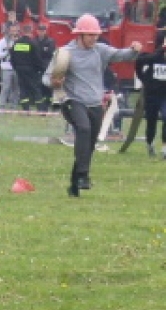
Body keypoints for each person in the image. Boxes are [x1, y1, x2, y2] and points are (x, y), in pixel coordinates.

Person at [43, 14, 140, 196]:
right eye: (90, 35)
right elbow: (46, 78)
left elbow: (121, 55)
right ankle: (83, 175)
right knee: (84, 129)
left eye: (96, 34)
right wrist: (54, 82)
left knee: (89, 143)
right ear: (79, 34)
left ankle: (74, 185)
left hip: (95, 103)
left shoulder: (100, 50)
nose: (94, 38)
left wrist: (134, 49)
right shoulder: (64, 53)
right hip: (72, 101)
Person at [135, 31, 166, 159]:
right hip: (152, 95)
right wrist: (143, 79)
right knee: (151, 121)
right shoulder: (153, 58)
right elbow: (139, 62)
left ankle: (164, 148)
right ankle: (150, 143)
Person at [9, 24, 42, 111]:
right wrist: (40, 69)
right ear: (31, 32)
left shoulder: (16, 43)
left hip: (19, 69)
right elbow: (37, 58)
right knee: (35, 88)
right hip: (31, 70)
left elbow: (12, 57)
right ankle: (40, 109)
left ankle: (25, 109)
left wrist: (16, 67)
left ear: (22, 32)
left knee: (23, 89)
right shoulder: (33, 43)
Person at [33, 22, 57, 111]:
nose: (41, 32)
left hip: (47, 68)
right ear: (37, 31)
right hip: (36, 68)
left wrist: (41, 52)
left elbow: (50, 53)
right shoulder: (33, 41)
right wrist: (42, 51)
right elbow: (34, 54)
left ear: (45, 31)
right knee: (38, 87)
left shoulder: (50, 41)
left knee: (48, 87)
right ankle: (41, 107)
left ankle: (48, 105)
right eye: (40, 30)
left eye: (43, 30)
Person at [0, 25, 19, 108]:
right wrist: (8, 50)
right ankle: (1, 104)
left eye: (15, 31)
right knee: (6, 87)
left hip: (17, 67)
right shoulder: (2, 42)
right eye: (12, 31)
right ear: (8, 31)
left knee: (16, 88)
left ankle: (14, 105)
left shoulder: (19, 41)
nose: (13, 33)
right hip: (6, 67)